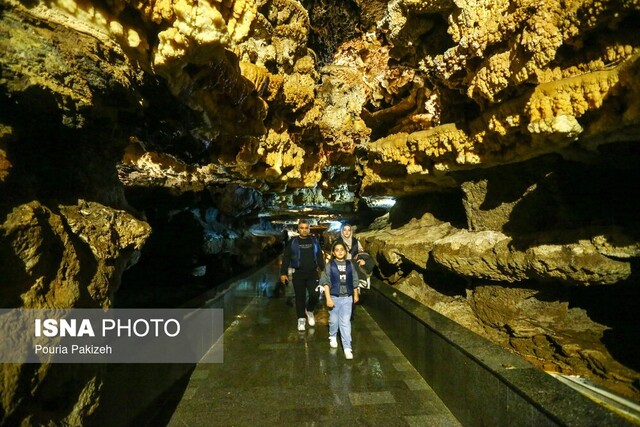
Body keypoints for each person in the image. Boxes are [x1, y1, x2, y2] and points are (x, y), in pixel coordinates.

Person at [280, 219, 325, 331]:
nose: (304, 230)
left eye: (306, 228)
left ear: (309, 229)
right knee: (300, 297)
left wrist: (324, 270)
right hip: (298, 273)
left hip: (312, 273)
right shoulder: (293, 242)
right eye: (302, 228)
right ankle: (301, 319)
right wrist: (283, 273)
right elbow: (286, 257)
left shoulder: (314, 241)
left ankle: (309, 310)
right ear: (298, 229)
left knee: (315, 295)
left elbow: (319, 256)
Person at [319, 241, 359, 359]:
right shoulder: (329, 266)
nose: (340, 252)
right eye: (337, 250)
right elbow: (325, 282)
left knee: (345, 322)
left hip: (347, 297)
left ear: (346, 252)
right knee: (333, 320)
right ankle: (332, 335)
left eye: (342, 249)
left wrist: (355, 294)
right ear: (333, 253)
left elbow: (354, 280)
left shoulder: (350, 264)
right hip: (334, 297)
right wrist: (328, 298)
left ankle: (347, 347)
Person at [335, 223, 370, 289]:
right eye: (344, 230)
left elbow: (361, 251)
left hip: (354, 263)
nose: (347, 232)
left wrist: (361, 259)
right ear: (342, 231)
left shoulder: (355, 241)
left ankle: (361, 282)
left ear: (351, 231)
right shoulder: (338, 242)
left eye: (349, 230)